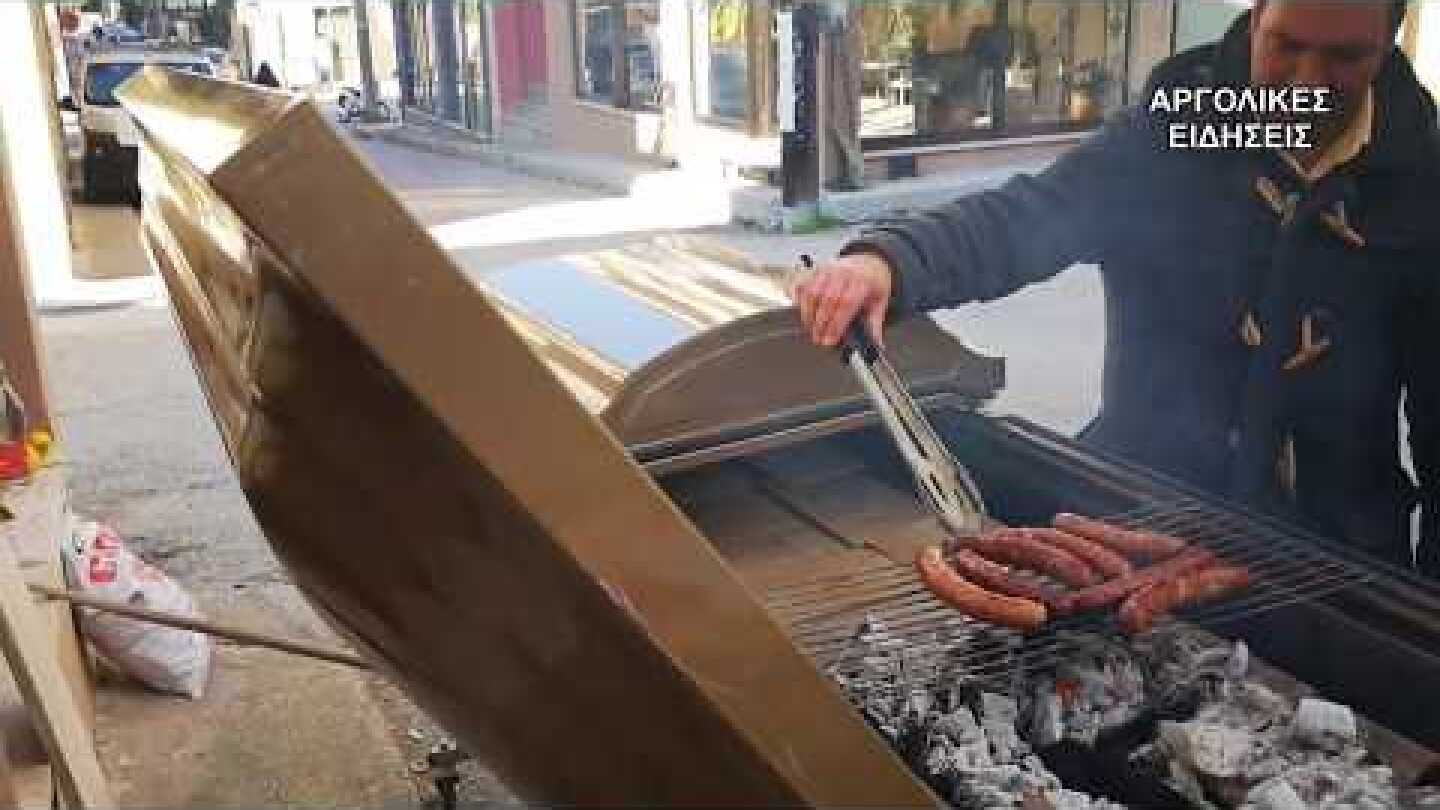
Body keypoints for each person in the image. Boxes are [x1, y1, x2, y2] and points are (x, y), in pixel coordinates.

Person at [794, 0, 1440, 573]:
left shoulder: (1422, 182)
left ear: (1390, 40)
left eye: (1346, 57)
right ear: (1256, 13)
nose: (1307, 84)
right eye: (1288, 45)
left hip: (1338, 562)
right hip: (1137, 525)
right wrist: (889, 262)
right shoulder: (1177, 134)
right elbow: (1029, 216)